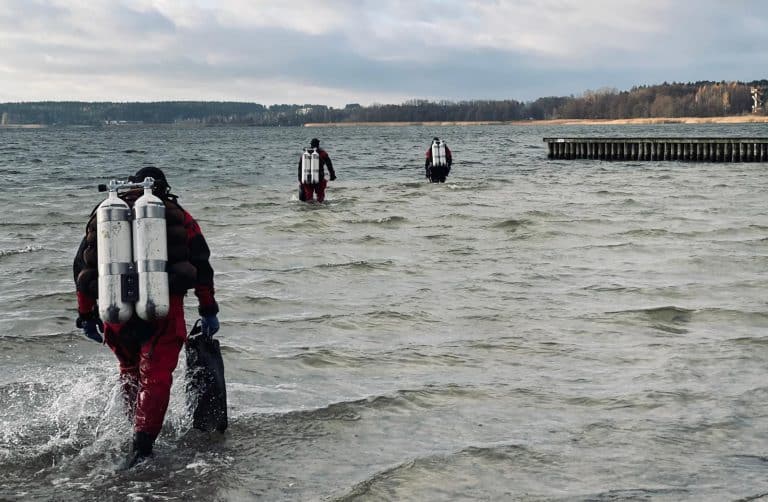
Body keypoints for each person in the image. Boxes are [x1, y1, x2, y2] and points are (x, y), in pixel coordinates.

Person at [73, 166, 220, 468]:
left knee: (130, 371)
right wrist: (208, 310)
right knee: (155, 377)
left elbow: (82, 267)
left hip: (116, 309)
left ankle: (134, 429)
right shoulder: (178, 215)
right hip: (162, 308)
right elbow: (202, 266)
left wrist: (85, 314)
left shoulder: (105, 214)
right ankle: (142, 448)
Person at [298, 138, 336, 202]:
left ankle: (309, 206)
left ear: (311, 145)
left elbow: (300, 167)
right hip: (320, 178)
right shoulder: (323, 153)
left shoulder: (305, 154)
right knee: (320, 195)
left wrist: (300, 179)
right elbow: (329, 165)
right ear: (318, 144)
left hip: (307, 178)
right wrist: (332, 175)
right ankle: (320, 206)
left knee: (309, 195)